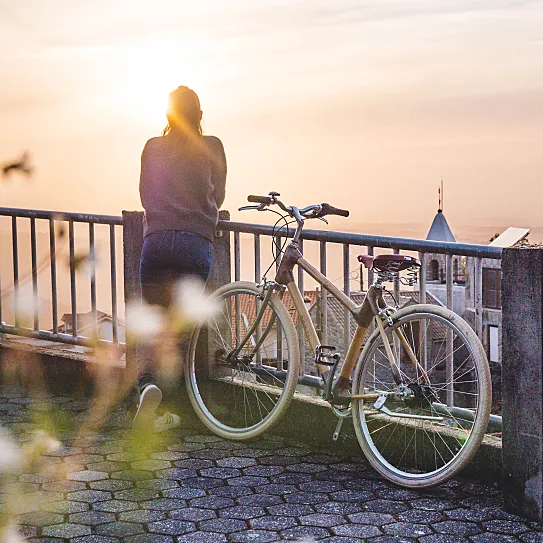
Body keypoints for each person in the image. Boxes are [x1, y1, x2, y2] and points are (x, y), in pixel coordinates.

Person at [133, 86, 227, 432]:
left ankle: (148, 389)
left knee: (153, 324)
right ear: (199, 115)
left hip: (156, 241)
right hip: (194, 241)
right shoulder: (212, 146)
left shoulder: (152, 147)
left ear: (168, 115)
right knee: (180, 331)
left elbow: (145, 193)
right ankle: (181, 405)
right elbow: (218, 192)